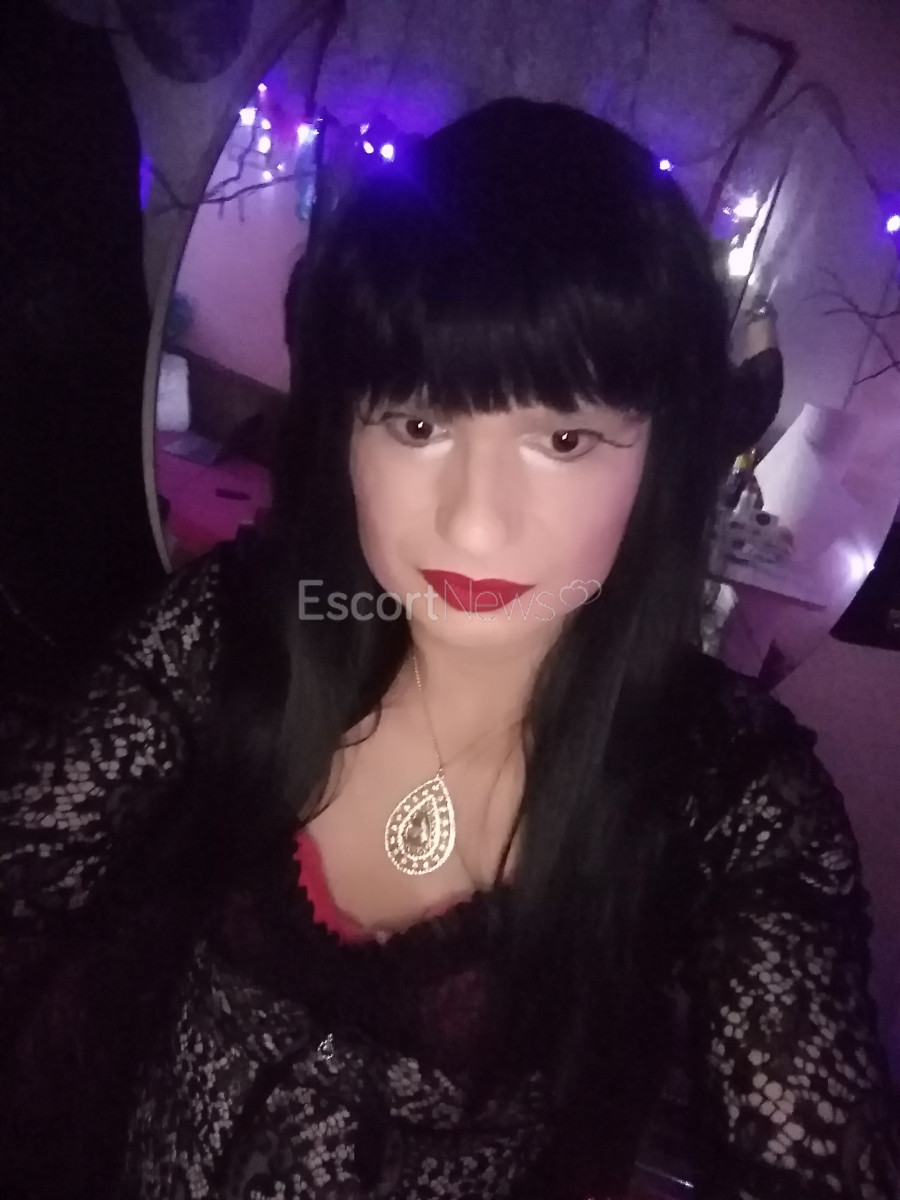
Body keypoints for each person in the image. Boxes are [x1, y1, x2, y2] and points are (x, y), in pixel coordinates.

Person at [1, 97, 898, 1200]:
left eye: (563, 438)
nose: (475, 525)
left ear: (657, 458)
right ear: (348, 428)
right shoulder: (232, 630)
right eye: (419, 425)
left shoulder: (728, 798)